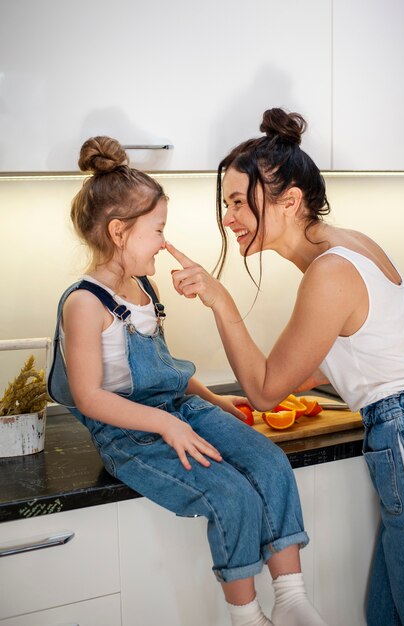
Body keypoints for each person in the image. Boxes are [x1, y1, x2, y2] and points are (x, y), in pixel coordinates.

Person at [47, 135, 327, 626]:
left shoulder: (142, 287)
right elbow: (91, 398)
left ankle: (291, 599)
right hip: (130, 434)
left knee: (268, 460)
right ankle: (247, 615)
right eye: (157, 230)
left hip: (179, 411)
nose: (164, 242)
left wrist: (213, 401)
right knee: (231, 495)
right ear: (118, 232)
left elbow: (162, 365)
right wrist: (167, 425)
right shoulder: (84, 303)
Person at [166, 107, 404, 626]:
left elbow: (264, 390)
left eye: (238, 202)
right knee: (388, 614)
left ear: (291, 201)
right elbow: (349, 354)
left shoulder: (330, 273)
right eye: (226, 203)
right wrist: (219, 397)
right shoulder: (345, 246)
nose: (227, 218)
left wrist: (219, 299)